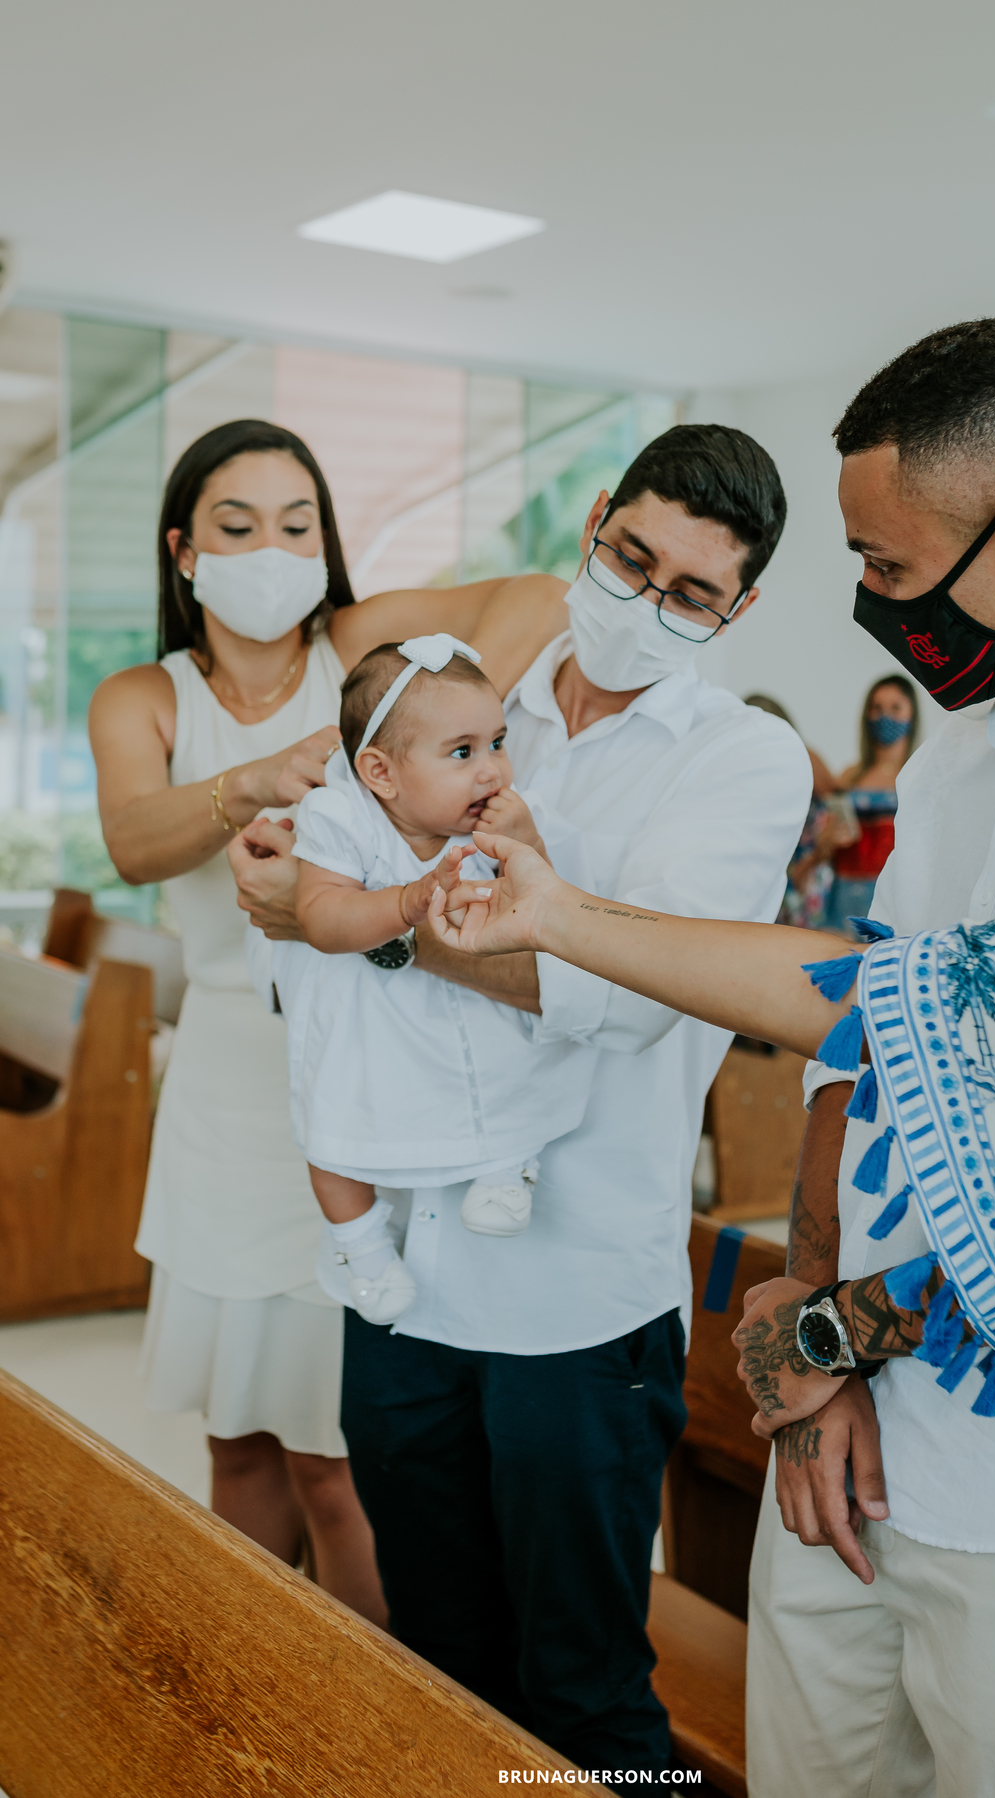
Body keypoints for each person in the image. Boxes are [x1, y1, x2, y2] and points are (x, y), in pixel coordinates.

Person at [430, 324, 995, 1798]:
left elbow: (929, 1015)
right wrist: (808, 1313)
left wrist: (564, 915)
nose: (874, 614)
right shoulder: (959, 751)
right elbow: (863, 1055)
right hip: (848, 1440)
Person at [231, 423, 809, 1776]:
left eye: (691, 594)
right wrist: (285, 872)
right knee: (433, 1658)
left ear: (740, 610)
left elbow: (631, 993)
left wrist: (353, 923)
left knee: (584, 1689)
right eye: (631, 558)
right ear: (595, 520)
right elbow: (323, 852)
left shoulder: (738, 760)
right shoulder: (469, 700)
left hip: (578, 1293)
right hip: (406, 1274)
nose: (646, 602)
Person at [89, 417, 565, 1617]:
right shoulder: (144, 695)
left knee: (338, 1456)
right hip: (225, 1084)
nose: (274, 548)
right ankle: (247, 1703)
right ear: (182, 550)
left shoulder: (359, 651)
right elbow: (135, 842)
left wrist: (400, 739)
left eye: (298, 523)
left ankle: (374, 1726)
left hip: (358, 1062)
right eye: (239, 526)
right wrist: (250, 777)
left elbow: (542, 592)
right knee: (238, 1439)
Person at [257, 633, 595, 1325]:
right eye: (463, 753)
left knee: (516, 1065)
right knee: (335, 1124)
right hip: (368, 1026)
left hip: (473, 1010)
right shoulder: (340, 817)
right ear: (380, 773)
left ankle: (508, 1166)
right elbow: (320, 918)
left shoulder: (501, 820)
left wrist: (527, 845)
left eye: (499, 743)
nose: (494, 771)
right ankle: (362, 1246)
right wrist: (404, 904)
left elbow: (552, 911)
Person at [819, 675, 918, 934]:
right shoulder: (849, 776)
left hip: (895, 899)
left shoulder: (920, 775)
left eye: (896, 708)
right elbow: (824, 847)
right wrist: (829, 840)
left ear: (912, 714)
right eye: (877, 708)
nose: (885, 716)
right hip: (843, 899)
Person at [743, 693, 837, 930]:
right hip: (767, 880)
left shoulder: (805, 760)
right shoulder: (747, 772)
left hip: (805, 880)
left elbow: (838, 807)